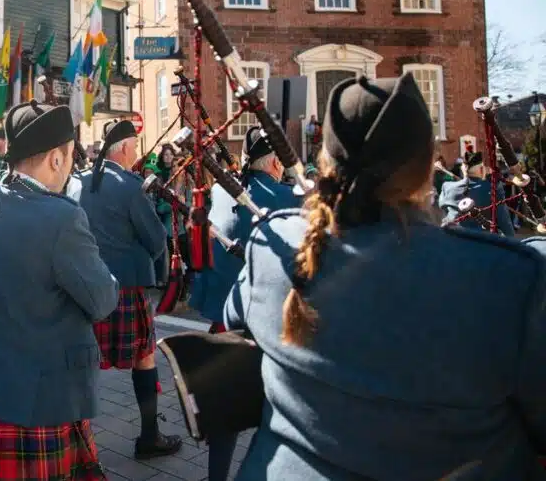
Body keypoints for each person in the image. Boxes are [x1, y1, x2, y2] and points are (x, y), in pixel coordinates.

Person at [225, 74, 546, 480]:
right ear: (427, 165)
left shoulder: (272, 245)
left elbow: (236, 323)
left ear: (327, 159)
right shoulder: (511, 280)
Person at [0, 100, 119, 481]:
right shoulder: (62, 218)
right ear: (55, 158)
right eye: (70, 156)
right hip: (39, 400)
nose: (71, 165)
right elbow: (102, 301)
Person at [186, 125, 299, 480]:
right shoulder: (287, 197)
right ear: (275, 164)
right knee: (279, 413)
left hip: (225, 316)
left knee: (227, 410)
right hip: (269, 324)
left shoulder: (220, 192)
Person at [69, 120, 181, 459]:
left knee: (83, 360)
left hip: (85, 284)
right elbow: (156, 239)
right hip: (126, 288)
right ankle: (149, 437)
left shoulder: (76, 182)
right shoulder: (131, 187)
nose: (136, 154)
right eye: (133, 148)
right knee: (144, 357)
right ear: (123, 149)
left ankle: (74, 442)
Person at [439, 150, 516, 237]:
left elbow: (444, 211)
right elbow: (505, 223)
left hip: (454, 241)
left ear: (463, 169)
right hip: (482, 243)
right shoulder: (493, 189)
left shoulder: (447, 187)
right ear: (481, 169)